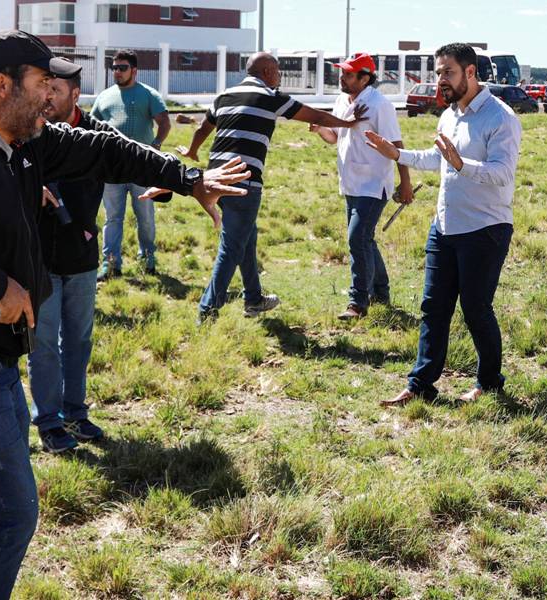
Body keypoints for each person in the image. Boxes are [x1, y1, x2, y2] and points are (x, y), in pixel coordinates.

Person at [0, 30, 250, 600]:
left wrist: (188, 178)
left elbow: (107, 149)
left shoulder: (23, 143)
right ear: (1, 86)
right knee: (10, 513)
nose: (53, 96)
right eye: (43, 84)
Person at [366, 43, 521, 406]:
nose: (440, 79)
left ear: (470, 72)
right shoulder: (449, 114)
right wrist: (397, 154)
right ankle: (420, 384)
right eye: (437, 72)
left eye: (447, 72)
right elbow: (436, 158)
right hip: (445, 227)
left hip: (485, 229)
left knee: (475, 309)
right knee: (433, 307)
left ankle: (489, 382)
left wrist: (462, 164)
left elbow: (503, 174)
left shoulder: (501, 118)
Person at [180, 52, 369, 322]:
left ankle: (254, 299)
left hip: (214, 178)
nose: (279, 77)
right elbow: (314, 115)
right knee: (232, 246)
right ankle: (207, 311)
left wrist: (192, 150)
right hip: (243, 180)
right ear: (268, 72)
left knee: (247, 237)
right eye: (278, 72)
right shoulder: (270, 97)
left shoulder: (225, 95)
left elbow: (203, 127)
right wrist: (347, 123)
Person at [28, 67, 114, 453]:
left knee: (78, 339)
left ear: (75, 94)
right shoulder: (29, 132)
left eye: (56, 89)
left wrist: (166, 182)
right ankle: (48, 421)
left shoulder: (98, 134)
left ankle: (75, 413)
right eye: (44, 88)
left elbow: (131, 159)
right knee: (44, 343)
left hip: (81, 252)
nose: (47, 97)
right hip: (39, 254)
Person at [309, 52, 413, 319]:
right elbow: (335, 137)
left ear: (365, 78)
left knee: (357, 239)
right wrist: (320, 128)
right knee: (365, 239)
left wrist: (405, 182)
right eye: (342, 72)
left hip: (373, 184)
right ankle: (381, 292)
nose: (342, 77)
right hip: (350, 183)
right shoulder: (341, 100)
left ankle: (358, 303)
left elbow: (397, 145)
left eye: (348, 74)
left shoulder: (380, 105)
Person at [91, 49, 172, 278]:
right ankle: (110, 262)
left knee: (144, 215)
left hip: (141, 168)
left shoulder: (148, 94)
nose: (117, 71)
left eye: (122, 67)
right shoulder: (105, 96)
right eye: (114, 67)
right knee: (112, 217)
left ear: (134, 70)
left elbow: (164, 122)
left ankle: (147, 256)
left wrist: (155, 146)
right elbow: (91, 126)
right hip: (111, 168)